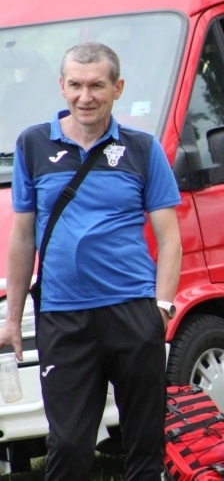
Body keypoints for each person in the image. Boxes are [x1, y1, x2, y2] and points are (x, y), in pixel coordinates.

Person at [0, 42, 182, 479]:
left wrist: (162, 307)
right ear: (61, 87)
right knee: (67, 443)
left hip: (133, 310)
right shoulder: (32, 145)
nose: (86, 96)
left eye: (97, 85)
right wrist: (12, 318)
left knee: (144, 440)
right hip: (64, 317)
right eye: (77, 85)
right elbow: (22, 238)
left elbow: (170, 239)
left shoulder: (141, 148)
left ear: (117, 88)